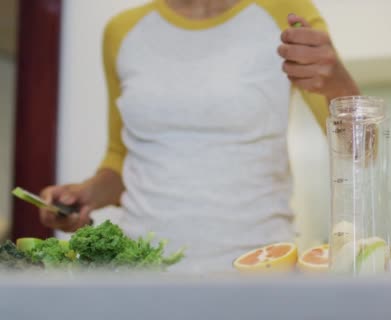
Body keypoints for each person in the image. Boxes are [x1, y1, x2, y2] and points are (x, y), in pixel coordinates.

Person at [38, 0, 359, 274]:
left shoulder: (283, 12)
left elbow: (358, 152)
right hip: (141, 275)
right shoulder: (122, 31)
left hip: (258, 273)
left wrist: (338, 86)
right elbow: (120, 156)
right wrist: (85, 195)